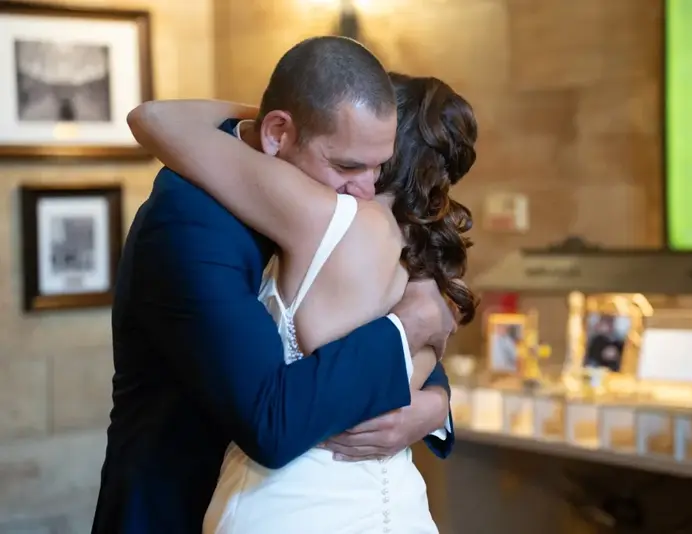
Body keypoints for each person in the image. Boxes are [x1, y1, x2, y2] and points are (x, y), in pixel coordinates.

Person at [93, 37, 462, 534]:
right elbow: (268, 421)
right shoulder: (190, 220)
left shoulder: (328, 203)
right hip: (181, 508)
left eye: (380, 168)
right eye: (347, 166)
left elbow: (362, 327)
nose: (366, 190)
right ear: (278, 132)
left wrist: (434, 406)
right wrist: (407, 326)